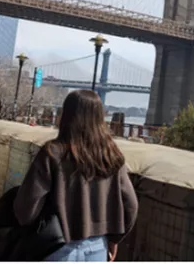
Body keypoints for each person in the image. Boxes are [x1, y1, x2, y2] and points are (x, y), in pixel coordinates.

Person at [14, 90, 138, 261]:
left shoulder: (52, 153)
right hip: (98, 249)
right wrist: (114, 239)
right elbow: (131, 205)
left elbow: (26, 205)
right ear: (100, 118)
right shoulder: (113, 156)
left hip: (56, 247)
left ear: (67, 116)